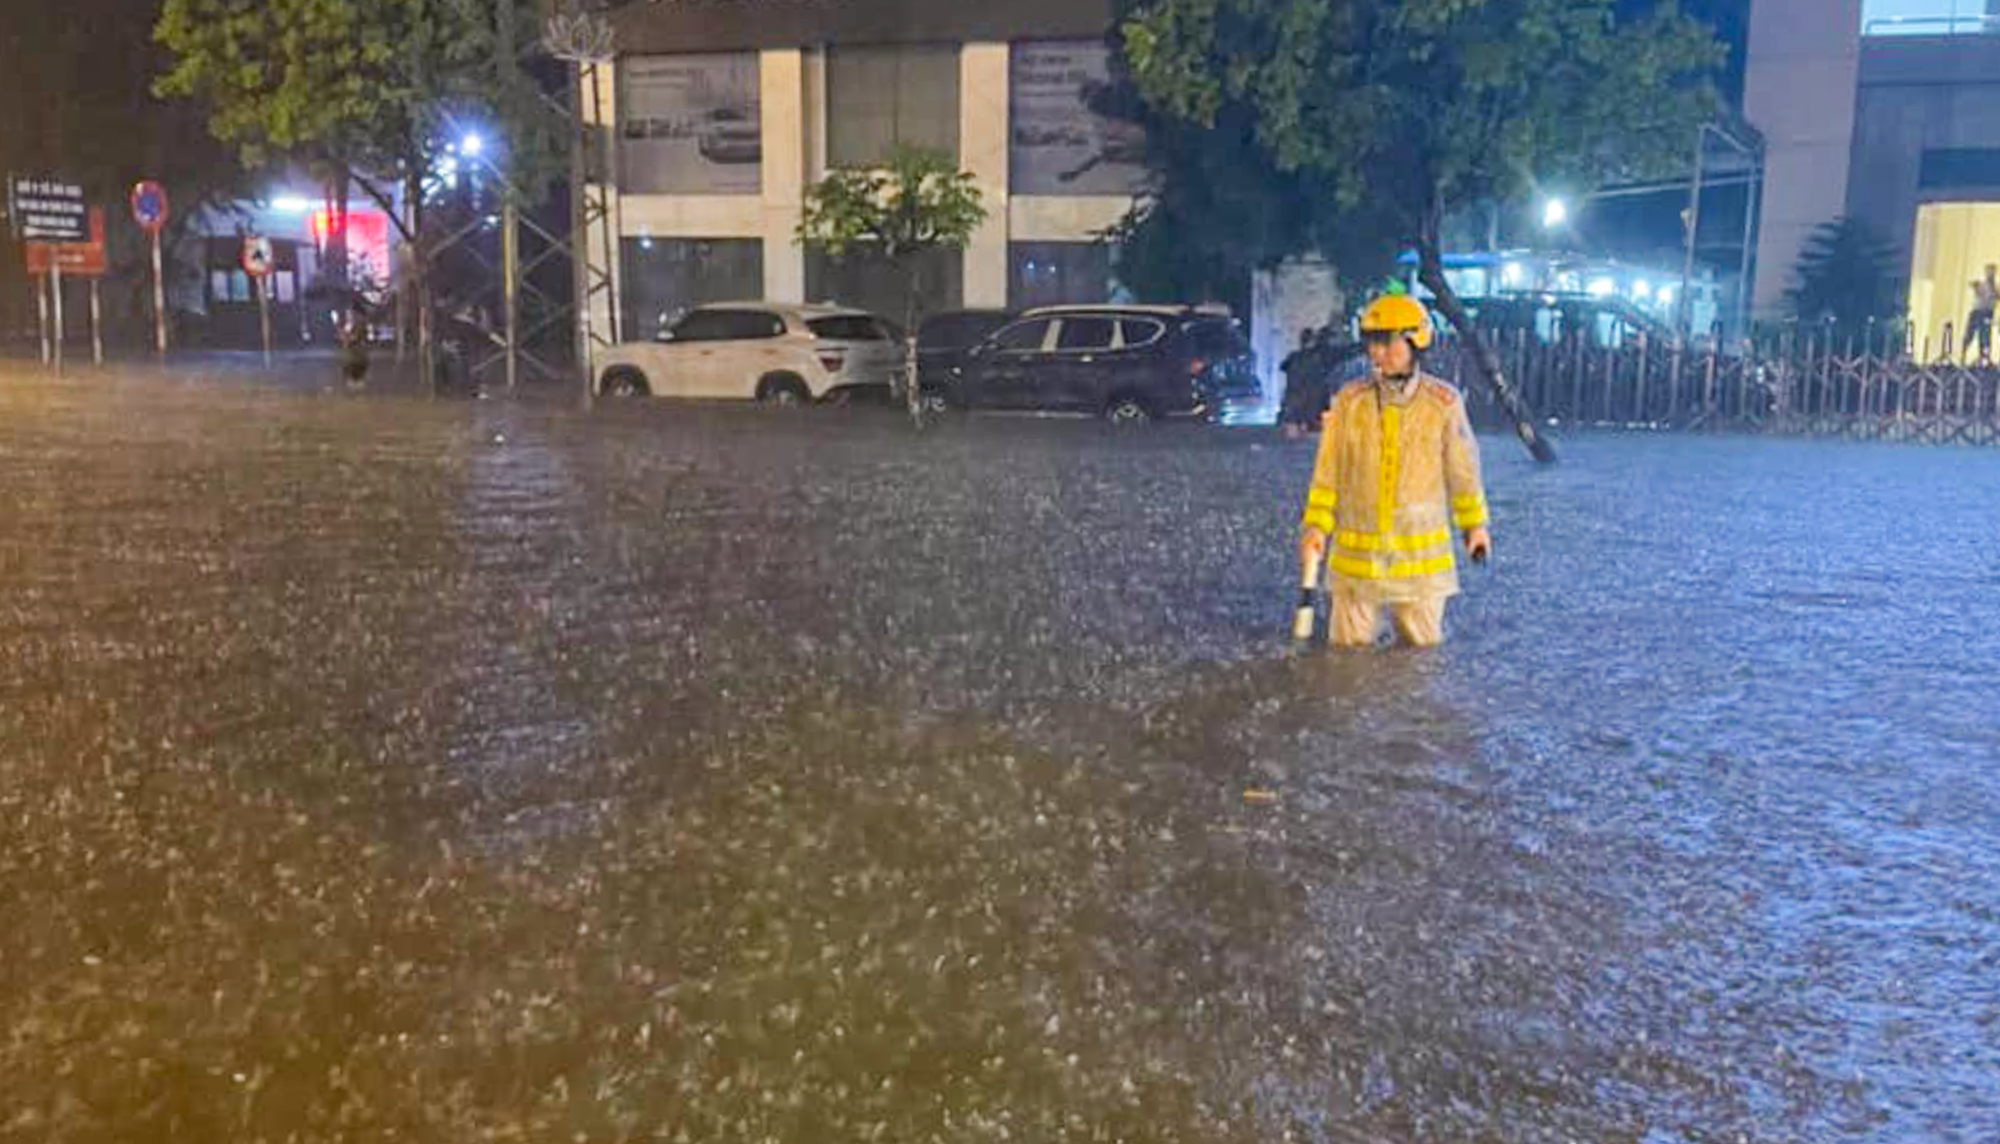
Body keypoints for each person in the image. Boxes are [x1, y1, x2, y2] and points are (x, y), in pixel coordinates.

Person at [1298, 294, 1492, 648]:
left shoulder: (1443, 404)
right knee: (1346, 660)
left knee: (1420, 659)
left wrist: (1474, 527)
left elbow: (1462, 473)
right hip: (1356, 563)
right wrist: (1316, 527)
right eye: (1372, 342)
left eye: (1387, 342)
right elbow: (1327, 475)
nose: (1377, 352)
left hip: (1420, 566)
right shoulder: (1349, 402)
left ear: (1415, 340)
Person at [1967, 264, 1998, 364]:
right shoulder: (1982, 285)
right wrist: (1976, 287)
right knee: (1970, 335)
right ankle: (1963, 354)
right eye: (1989, 271)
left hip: (1987, 314)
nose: (1990, 274)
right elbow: (1976, 288)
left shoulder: (1995, 288)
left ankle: (1984, 357)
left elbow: (1996, 296)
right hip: (1977, 313)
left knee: (1985, 336)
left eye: (1992, 272)